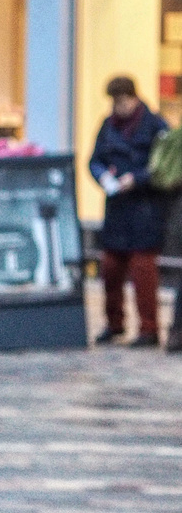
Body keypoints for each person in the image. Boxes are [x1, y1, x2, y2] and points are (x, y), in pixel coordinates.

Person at [89, 75, 171, 347]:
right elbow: (95, 160)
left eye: (122, 101)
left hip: (145, 209)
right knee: (111, 270)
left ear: (133, 98)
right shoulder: (107, 126)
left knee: (142, 272)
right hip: (117, 209)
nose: (118, 107)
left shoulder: (156, 126)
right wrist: (103, 178)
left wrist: (136, 179)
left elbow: (164, 168)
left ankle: (149, 329)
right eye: (114, 102)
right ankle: (114, 324)